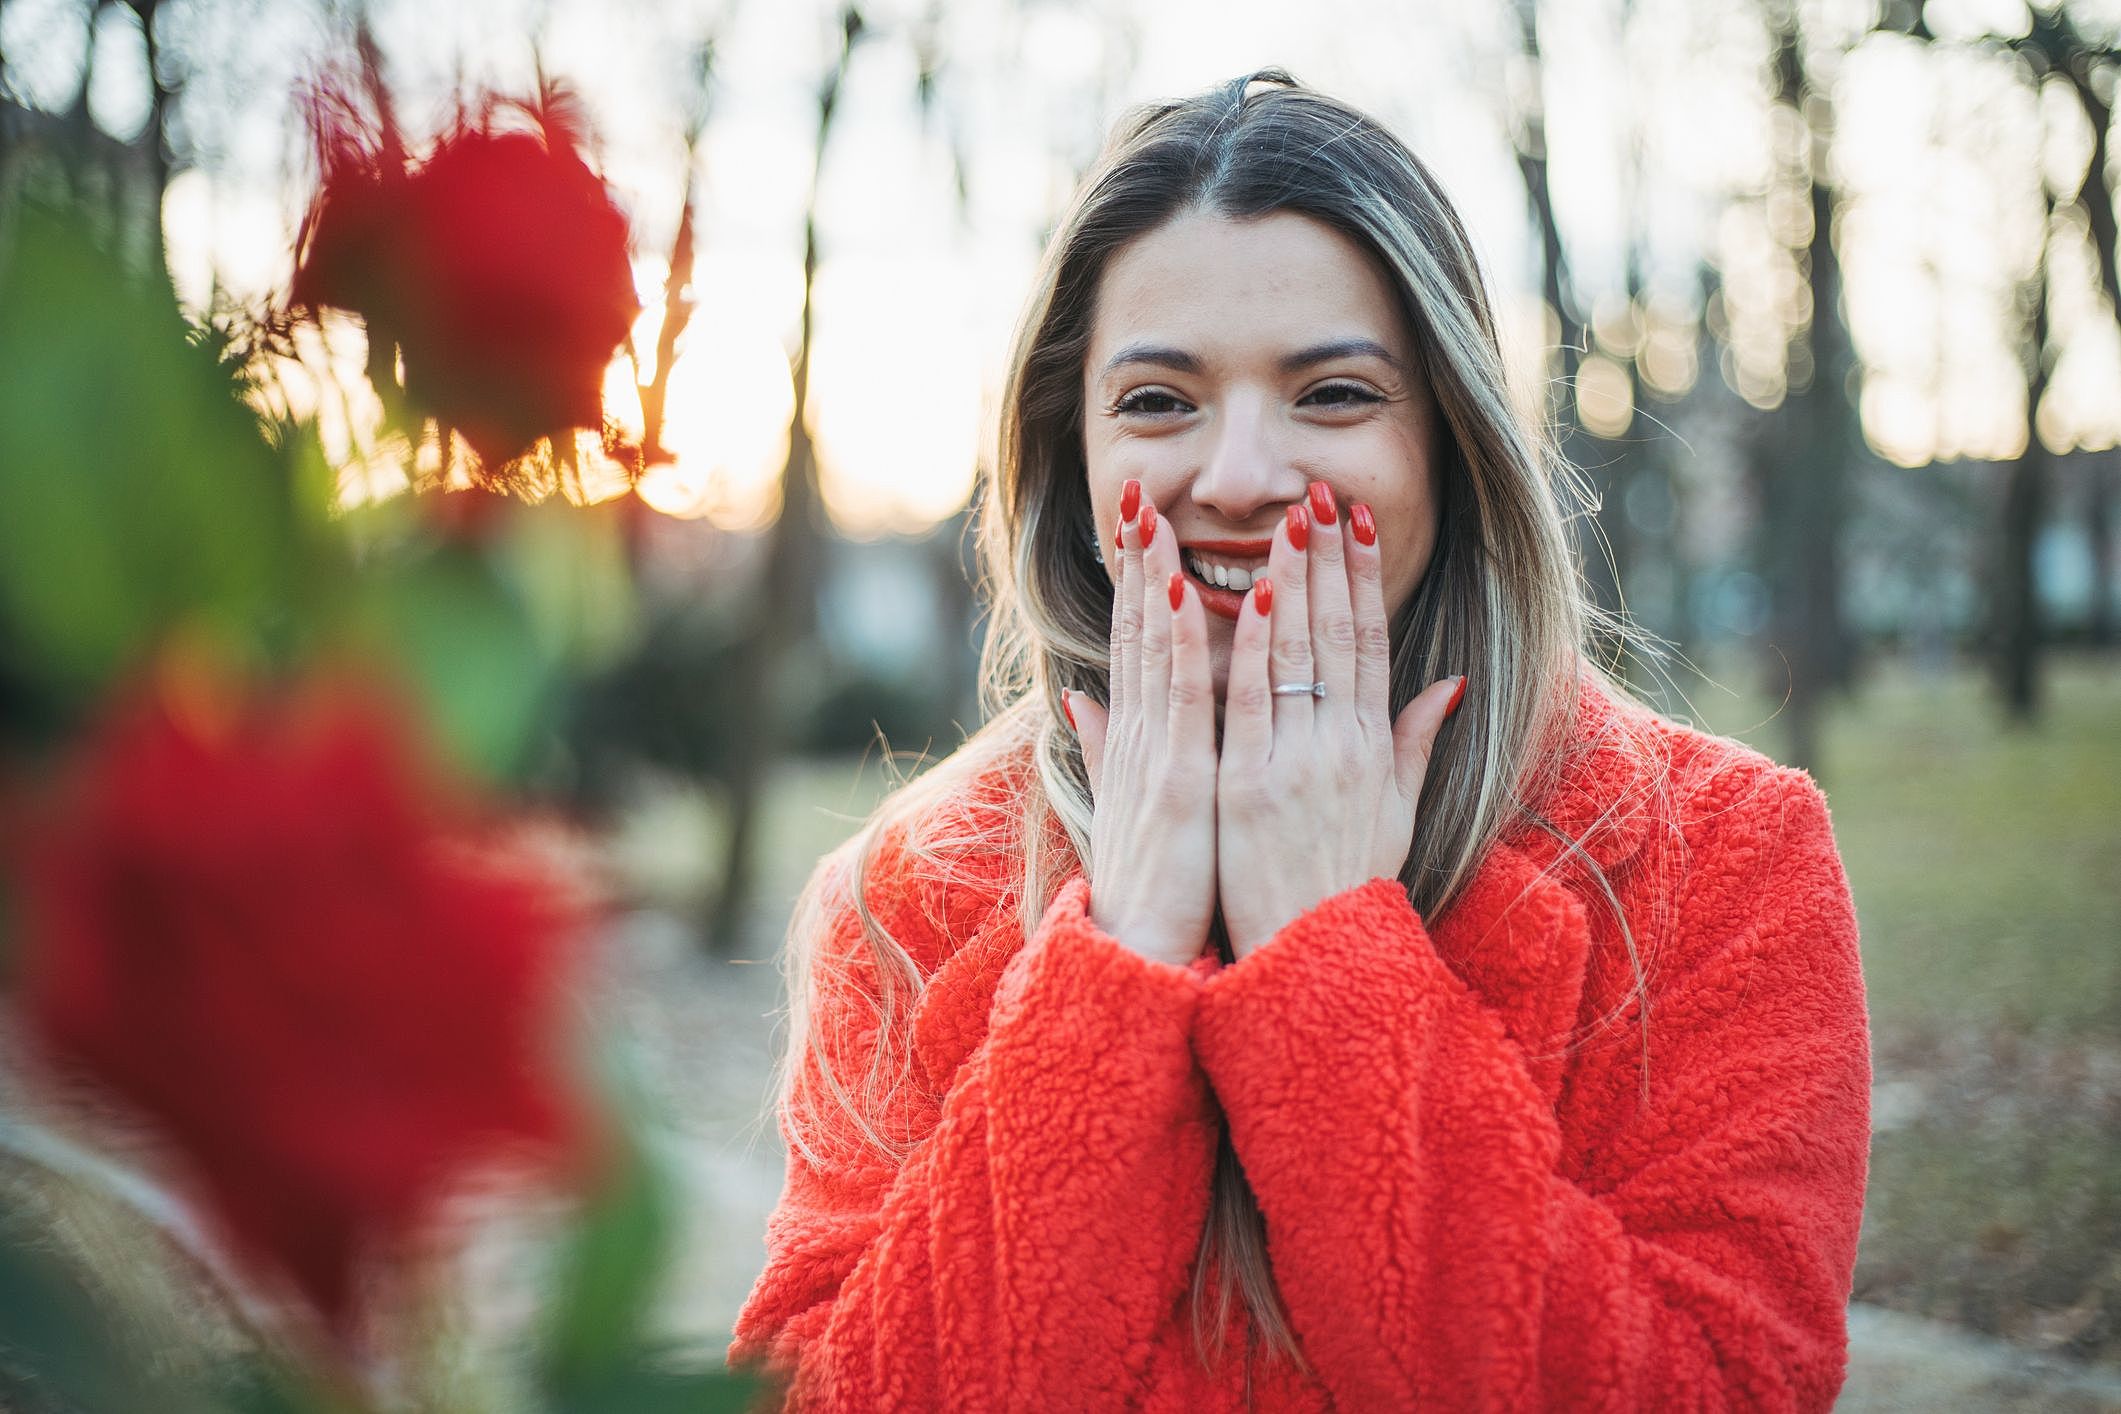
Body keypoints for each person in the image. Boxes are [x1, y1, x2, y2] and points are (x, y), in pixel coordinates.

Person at [727, 68, 1869, 1412]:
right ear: (1070, 453)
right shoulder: (909, 890)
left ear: (1450, 442)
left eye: (1331, 395)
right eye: (1158, 401)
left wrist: (1328, 955)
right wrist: (1120, 963)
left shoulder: (1716, 856)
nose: (1238, 475)